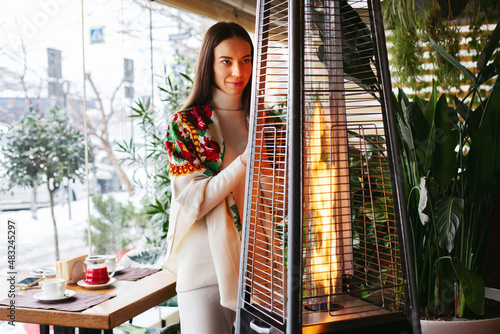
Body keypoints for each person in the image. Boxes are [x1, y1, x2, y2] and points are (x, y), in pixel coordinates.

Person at [164, 21, 253, 333]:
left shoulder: (267, 122)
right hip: (203, 269)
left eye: (246, 60)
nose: (238, 72)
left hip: (260, 268)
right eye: (226, 61)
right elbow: (193, 202)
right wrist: (245, 161)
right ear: (209, 64)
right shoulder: (186, 125)